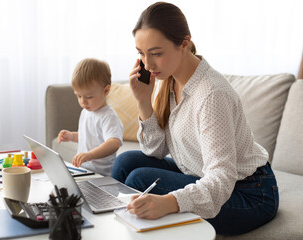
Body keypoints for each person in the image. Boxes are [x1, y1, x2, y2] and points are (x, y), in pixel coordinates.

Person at [111, 2, 279, 236]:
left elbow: (221, 179)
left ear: (184, 43)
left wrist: (170, 202)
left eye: (156, 53)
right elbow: (155, 151)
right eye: (141, 53)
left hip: (249, 193)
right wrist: (143, 100)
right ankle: (114, 227)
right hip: (197, 173)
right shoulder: (169, 80)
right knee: (126, 163)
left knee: (139, 178)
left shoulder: (212, 94)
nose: (147, 65)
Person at [58, 58, 123, 176]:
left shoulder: (108, 116)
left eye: (89, 97)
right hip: (84, 170)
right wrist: (71, 136)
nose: (83, 102)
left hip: (101, 174)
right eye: (78, 96)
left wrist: (90, 155)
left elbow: (114, 142)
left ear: (106, 90)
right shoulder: (86, 112)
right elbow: (89, 137)